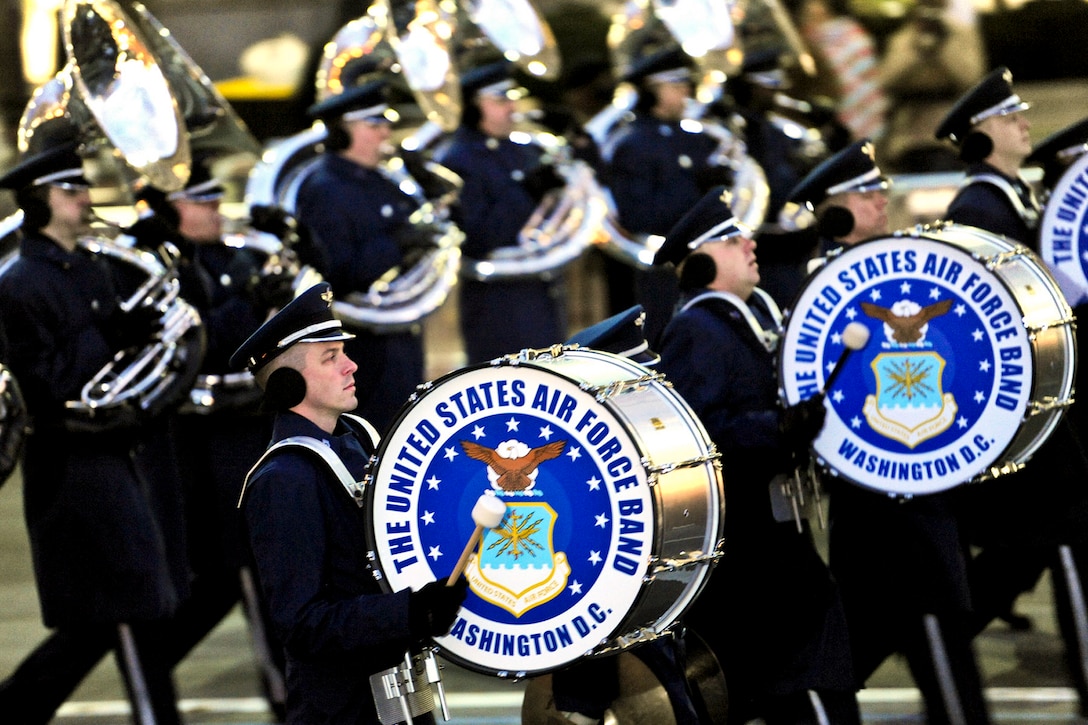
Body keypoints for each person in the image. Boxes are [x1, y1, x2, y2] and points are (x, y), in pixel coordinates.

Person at [787, 139, 993, 724]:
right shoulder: (820, 291)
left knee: (865, 639)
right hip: (882, 500)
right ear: (836, 210)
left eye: (880, 191)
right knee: (929, 624)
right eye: (868, 194)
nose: (883, 203)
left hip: (919, 483)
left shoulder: (901, 275)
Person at [653, 186, 859, 724]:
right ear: (700, 261)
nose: (748, 243)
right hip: (748, 537)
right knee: (802, 658)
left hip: (772, 530)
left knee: (779, 672)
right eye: (729, 237)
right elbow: (699, 435)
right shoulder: (697, 329)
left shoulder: (738, 320)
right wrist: (777, 428)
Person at [0, 140, 185, 724]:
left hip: (113, 452)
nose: (84, 199)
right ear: (39, 201)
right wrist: (115, 334)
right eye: (70, 190)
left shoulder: (90, 265)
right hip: (70, 465)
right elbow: (45, 384)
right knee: (128, 608)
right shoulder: (20, 282)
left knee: (113, 614)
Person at [229, 281, 469, 723]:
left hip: (405, 692)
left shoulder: (359, 438)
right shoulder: (284, 478)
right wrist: (410, 611)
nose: (351, 365)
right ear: (287, 381)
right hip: (344, 708)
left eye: (344, 352)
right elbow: (301, 623)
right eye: (331, 357)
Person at [939, 72, 1088, 711]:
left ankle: (933, 634)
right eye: (1009, 118)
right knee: (1067, 544)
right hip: (1031, 420)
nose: (1024, 123)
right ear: (980, 135)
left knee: (1023, 554)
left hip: (1047, 414)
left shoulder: (1013, 201)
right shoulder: (980, 209)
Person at [126, 155, 295, 717]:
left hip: (251, 428)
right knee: (241, 575)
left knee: (243, 574)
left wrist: (284, 282)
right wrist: (253, 301)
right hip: (196, 444)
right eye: (201, 201)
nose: (216, 208)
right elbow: (205, 343)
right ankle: (286, 697)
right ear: (171, 209)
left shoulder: (239, 255)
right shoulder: (158, 267)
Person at [294, 78, 436, 431]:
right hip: (363, 343)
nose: (385, 134)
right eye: (373, 125)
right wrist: (397, 245)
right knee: (378, 432)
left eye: (386, 124)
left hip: (402, 330)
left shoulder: (382, 180)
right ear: (342, 133)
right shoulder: (325, 189)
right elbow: (335, 273)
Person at [434, 59, 568, 364]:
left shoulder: (523, 149)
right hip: (497, 300)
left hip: (541, 289)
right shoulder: (458, 159)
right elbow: (478, 235)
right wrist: (526, 191)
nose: (511, 108)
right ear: (472, 105)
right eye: (499, 100)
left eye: (511, 98)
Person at [603, 45, 729, 346]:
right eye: (675, 85)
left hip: (706, 264)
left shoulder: (695, 138)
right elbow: (638, 216)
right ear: (650, 90)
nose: (686, 91)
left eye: (686, 84)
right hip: (660, 271)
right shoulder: (633, 143)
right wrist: (697, 190)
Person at [876, 0, 986, 172]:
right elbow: (887, 79)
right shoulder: (904, 38)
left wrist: (943, 44)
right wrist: (918, 48)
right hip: (908, 136)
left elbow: (970, 77)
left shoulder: (961, 35)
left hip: (950, 134)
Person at [787, 0, 888, 144]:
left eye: (818, 4)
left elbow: (867, 70)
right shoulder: (803, 45)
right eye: (808, 7)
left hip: (870, 108)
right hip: (840, 114)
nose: (814, 8)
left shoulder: (850, 30)